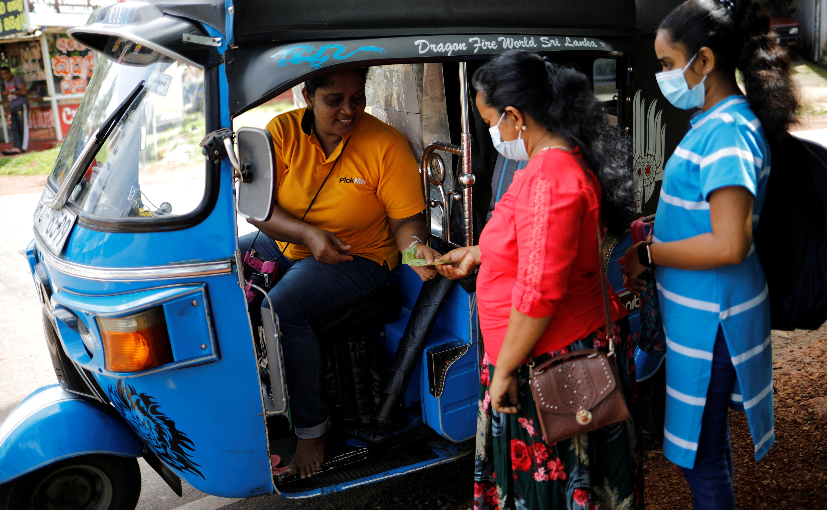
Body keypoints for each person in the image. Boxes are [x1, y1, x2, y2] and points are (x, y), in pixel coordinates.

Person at [435, 50, 641, 510]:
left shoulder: (550, 176)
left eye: (493, 123)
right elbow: (536, 244)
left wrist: (505, 368)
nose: (494, 136)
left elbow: (540, 289)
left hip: (553, 361)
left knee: (556, 487)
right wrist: (478, 253)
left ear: (515, 115)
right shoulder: (552, 164)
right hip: (543, 351)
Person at [618, 1, 797, 508]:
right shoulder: (712, 122)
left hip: (715, 319)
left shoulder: (728, 133)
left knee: (700, 455)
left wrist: (650, 256)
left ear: (705, 61)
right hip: (699, 313)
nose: (662, 76)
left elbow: (729, 242)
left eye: (668, 64)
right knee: (704, 448)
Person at [238, 66, 441, 479]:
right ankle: (248, 403)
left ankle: (313, 429)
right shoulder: (280, 132)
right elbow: (256, 209)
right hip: (291, 243)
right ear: (307, 96)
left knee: (282, 309)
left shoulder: (385, 145)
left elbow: (406, 224)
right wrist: (307, 234)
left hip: (360, 258)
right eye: (335, 100)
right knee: (217, 270)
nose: (349, 110)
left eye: (357, 98)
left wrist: (417, 254)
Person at [0, 66, 27, 156]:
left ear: (10, 73)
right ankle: (16, 146)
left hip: (21, 104)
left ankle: (22, 148)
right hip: (13, 106)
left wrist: (10, 93)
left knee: (22, 126)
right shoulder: (5, 82)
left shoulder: (17, 79)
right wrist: (5, 101)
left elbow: (23, 92)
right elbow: (12, 95)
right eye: (3, 74)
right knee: (14, 127)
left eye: (7, 73)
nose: (5, 75)